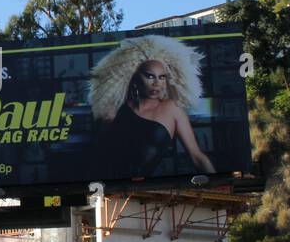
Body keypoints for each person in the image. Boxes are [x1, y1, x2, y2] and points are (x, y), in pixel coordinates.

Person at [91, 35, 216, 178]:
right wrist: (107, 122)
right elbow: (100, 152)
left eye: (161, 77)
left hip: (140, 190)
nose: (156, 83)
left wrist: (219, 183)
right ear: (135, 78)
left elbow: (197, 156)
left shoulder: (172, 109)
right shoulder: (119, 107)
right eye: (150, 76)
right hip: (107, 185)